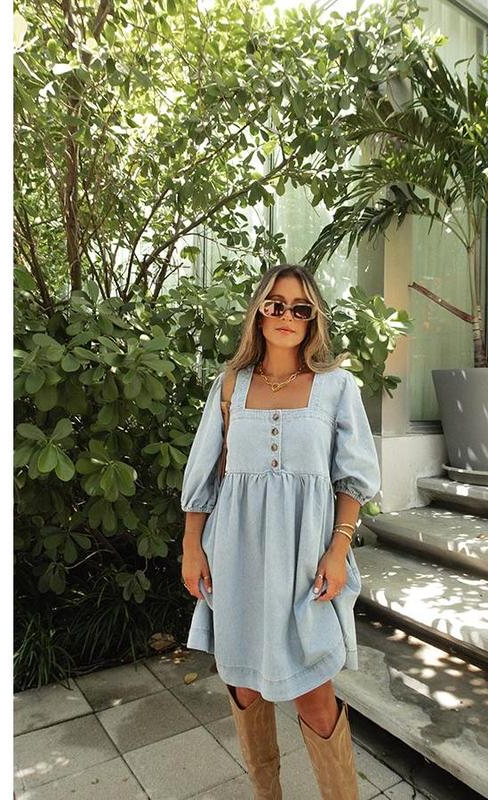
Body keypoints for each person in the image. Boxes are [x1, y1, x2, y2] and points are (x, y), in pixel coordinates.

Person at [180, 263, 381, 800]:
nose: (286, 315)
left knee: (315, 695)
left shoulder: (336, 387)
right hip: (236, 556)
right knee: (244, 686)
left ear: (313, 318)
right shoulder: (231, 385)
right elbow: (205, 472)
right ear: (258, 312)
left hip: (305, 559)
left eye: (300, 307)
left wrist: (338, 549)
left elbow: (353, 479)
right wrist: (192, 547)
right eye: (275, 304)